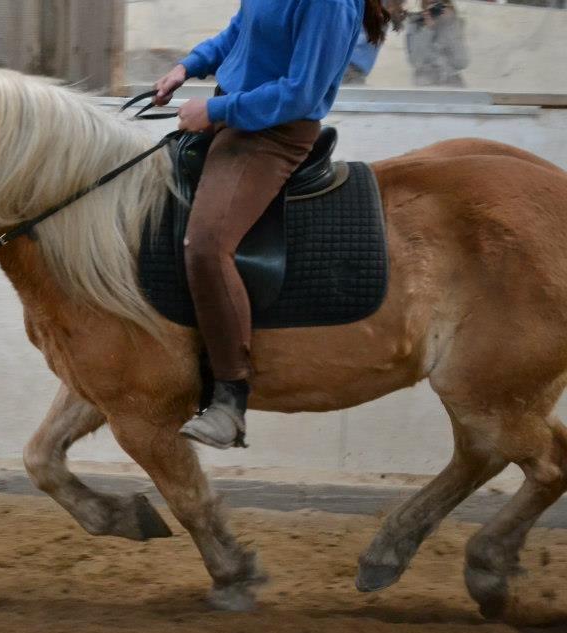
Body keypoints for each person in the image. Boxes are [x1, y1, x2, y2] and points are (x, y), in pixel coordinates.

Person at [152, 0, 390, 450]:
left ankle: (229, 399)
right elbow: (240, 31)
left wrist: (217, 112)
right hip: (235, 115)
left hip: (274, 134)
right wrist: (186, 67)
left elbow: (299, 92)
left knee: (205, 244)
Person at [405, 0, 469, 87]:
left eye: (436, 4)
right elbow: (416, 61)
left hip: (453, 86)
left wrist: (450, 26)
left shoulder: (453, 23)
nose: (432, 8)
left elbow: (462, 63)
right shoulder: (415, 23)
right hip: (426, 86)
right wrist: (427, 30)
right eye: (429, 4)